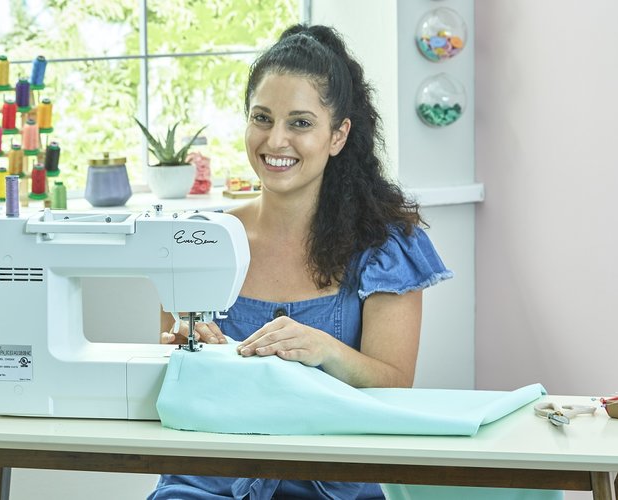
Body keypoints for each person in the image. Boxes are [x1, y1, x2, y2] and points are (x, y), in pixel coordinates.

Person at [150, 23, 453, 500]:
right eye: (262, 118)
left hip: (330, 488)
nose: (275, 141)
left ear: (338, 135)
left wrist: (324, 350)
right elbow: (171, 389)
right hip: (205, 485)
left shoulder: (383, 246)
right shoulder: (199, 240)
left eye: (300, 123)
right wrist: (184, 354)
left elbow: (395, 388)